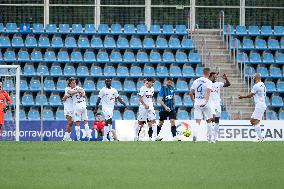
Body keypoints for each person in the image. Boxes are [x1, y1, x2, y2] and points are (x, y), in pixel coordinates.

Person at [238, 73, 266, 142]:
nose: (253, 79)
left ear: (256, 78)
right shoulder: (263, 84)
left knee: (255, 121)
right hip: (261, 105)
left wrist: (242, 97)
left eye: (253, 77)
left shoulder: (256, 86)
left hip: (259, 105)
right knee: (252, 121)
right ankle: (260, 136)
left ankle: (260, 138)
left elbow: (250, 95)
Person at [189, 68, 213, 143]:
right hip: (205, 103)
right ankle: (210, 139)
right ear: (208, 74)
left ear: (203, 72)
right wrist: (205, 101)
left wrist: (193, 101)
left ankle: (195, 136)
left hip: (197, 103)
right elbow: (208, 92)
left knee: (197, 121)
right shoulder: (208, 81)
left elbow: (190, 93)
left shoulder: (196, 81)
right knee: (209, 120)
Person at [208, 72, 230, 142]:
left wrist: (226, 78)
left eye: (216, 76)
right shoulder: (207, 83)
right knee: (211, 120)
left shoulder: (218, 83)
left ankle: (215, 137)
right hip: (210, 104)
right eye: (214, 76)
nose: (216, 77)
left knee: (217, 120)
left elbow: (228, 84)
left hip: (217, 104)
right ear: (211, 76)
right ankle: (209, 137)